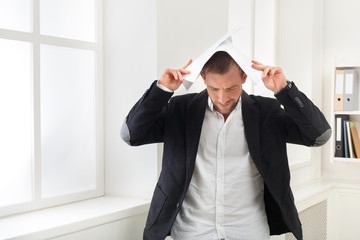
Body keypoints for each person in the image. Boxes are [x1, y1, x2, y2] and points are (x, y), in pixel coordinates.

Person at [121, 51, 331, 240]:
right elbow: (131, 134)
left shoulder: (267, 112)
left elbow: (319, 135)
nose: (222, 98)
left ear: (244, 78)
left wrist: (285, 90)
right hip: (191, 232)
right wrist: (161, 90)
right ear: (202, 79)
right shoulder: (180, 110)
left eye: (231, 88)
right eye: (214, 88)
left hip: (248, 231)